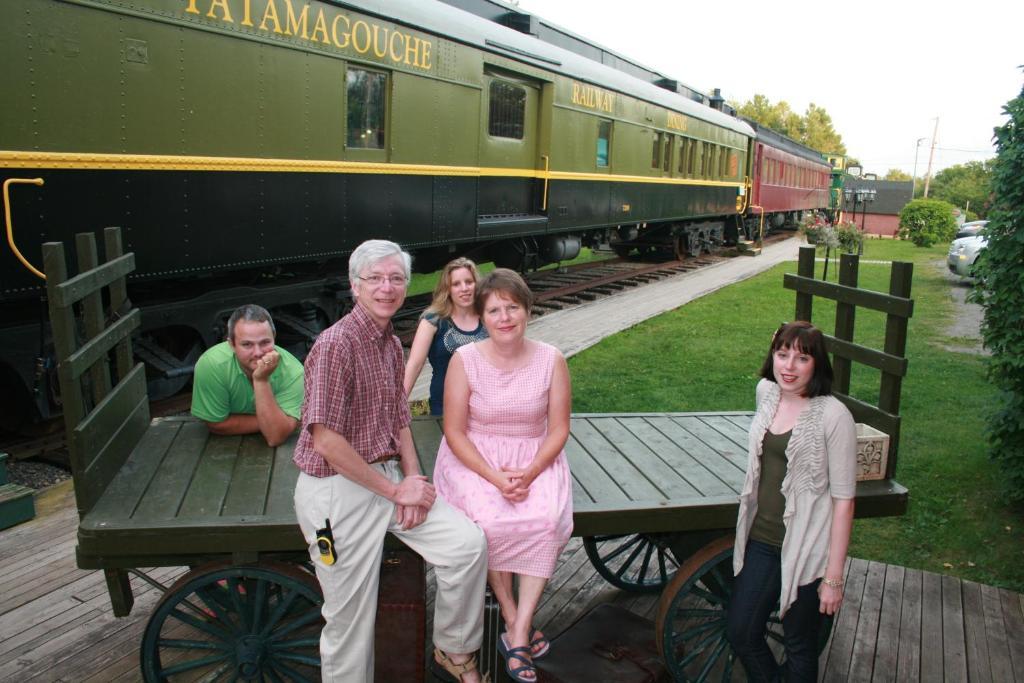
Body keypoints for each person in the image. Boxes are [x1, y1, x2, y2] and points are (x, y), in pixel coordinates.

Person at [292, 239, 488, 683]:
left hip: (386, 478)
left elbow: (400, 419)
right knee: (348, 621)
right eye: (375, 278)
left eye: (396, 278)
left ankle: (453, 650)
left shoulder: (387, 341)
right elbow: (326, 443)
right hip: (332, 500)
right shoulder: (334, 345)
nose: (387, 287)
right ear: (354, 286)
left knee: (467, 547)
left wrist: (414, 479)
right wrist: (396, 490)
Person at [434, 268, 573, 683]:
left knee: (548, 520)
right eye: (493, 309)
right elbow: (455, 431)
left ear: (528, 309)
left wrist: (529, 472)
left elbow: (559, 428)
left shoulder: (552, 359)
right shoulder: (465, 360)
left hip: (534, 454)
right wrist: (495, 478)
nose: (504, 317)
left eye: (512, 307)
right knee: (488, 522)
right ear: (482, 316)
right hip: (475, 457)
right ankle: (518, 622)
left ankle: (516, 627)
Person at [726, 321, 857, 682]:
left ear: (817, 364)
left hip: (809, 548)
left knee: (799, 643)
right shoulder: (766, 393)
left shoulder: (834, 416)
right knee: (741, 631)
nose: (788, 366)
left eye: (802, 358)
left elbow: (844, 502)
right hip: (762, 541)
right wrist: (779, 339)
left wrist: (833, 578)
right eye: (782, 355)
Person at [190, 304, 303, 447]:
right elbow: (216, 424)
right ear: (231, 344)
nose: (258, 353)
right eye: (247, 344)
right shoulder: (212, 364)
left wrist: (261, 380)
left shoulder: (294, 372)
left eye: (265, 342)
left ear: (274, 338)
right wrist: (272, 422)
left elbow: (275, 437)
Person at [403, 257, 488, 415]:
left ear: (477, 284)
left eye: (469, 282)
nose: (464, 288)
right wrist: (397, 408)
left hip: (486, 407)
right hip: (446, 409)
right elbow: (414, 364)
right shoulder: (433, 320)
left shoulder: (487, 317)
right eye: (456, 284)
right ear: (447, 289)